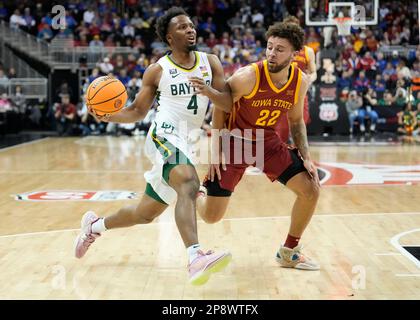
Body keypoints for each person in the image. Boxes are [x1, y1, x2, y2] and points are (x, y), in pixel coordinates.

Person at [74, 7, 232, 286]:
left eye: (191, 25)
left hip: (188, 139)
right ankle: (195, 257)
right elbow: (136, 111)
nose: (190, 29)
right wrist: (109, 115)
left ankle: (94, 226)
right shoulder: (158, 70)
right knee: (188, 183)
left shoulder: (211, 62)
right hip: (165, 134)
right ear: (170, 38)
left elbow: (227, 103)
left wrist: (208, 92)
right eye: (182, 27)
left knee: (145, 214)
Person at [196, 22, 321, 270]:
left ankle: (289, 251)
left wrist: (306, 156)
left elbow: (295, 120)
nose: (272, 53)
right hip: (235, 143)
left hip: (267, 142)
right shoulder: (246, 77)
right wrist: (216, 152)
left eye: (280, 49)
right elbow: (220, 108)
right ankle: (195, 193)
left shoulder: (300, 81)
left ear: (295, 53)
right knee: (211, 217)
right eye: (269, 47)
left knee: (311, 189)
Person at [278, 16, 317, 142]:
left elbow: (313, 72)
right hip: (282, 94)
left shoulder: (307, 51)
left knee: (299, 130)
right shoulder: (278, 49)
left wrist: (308, 79)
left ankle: (301, 159)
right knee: (281, 133)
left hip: (299, 94)